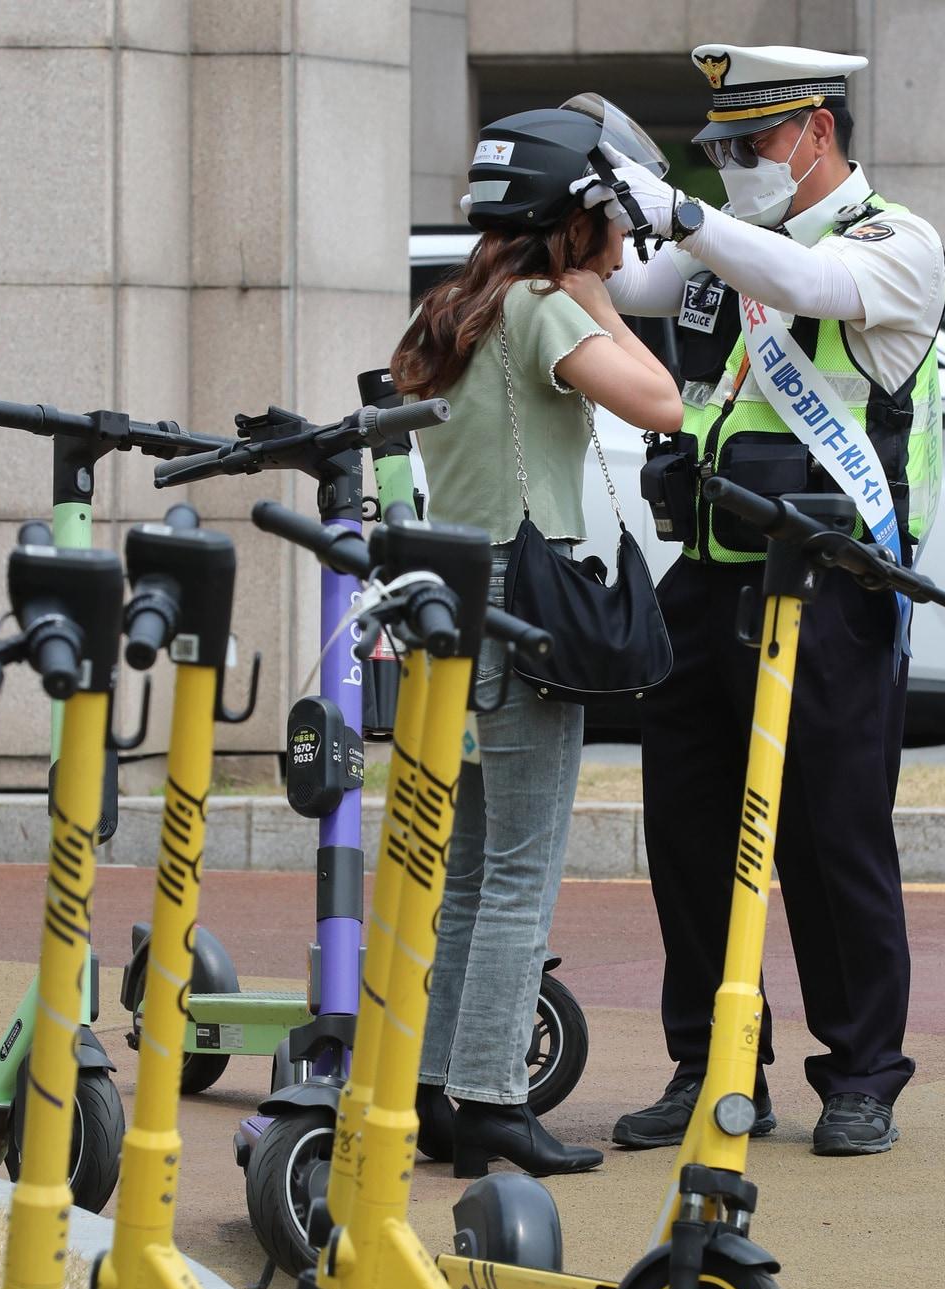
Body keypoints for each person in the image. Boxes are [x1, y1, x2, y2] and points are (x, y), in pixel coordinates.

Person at [579, 43, 945, 1157]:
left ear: (817, 133)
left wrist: (682, 215)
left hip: (835, 584)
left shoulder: (893, 244)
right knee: (684, 826)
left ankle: (861, 1074)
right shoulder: (723, 253)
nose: (734, 164)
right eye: (718, 150)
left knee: (830, 835)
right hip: (710, 571)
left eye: (751, 144)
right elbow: (614, 284)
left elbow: (808, 287)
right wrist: (575, 210)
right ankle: (712, 1062)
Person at [391, 104, 682, 1180]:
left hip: (452, 596)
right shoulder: (541, 309)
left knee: (469, 870)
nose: (621, 241)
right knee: (520, 870)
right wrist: (589, 290)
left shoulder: (454, 306)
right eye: (608, 219)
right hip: (524, 599)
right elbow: (660, 404)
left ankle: (438, 1092)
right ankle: (494, 1102)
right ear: (571, 221)